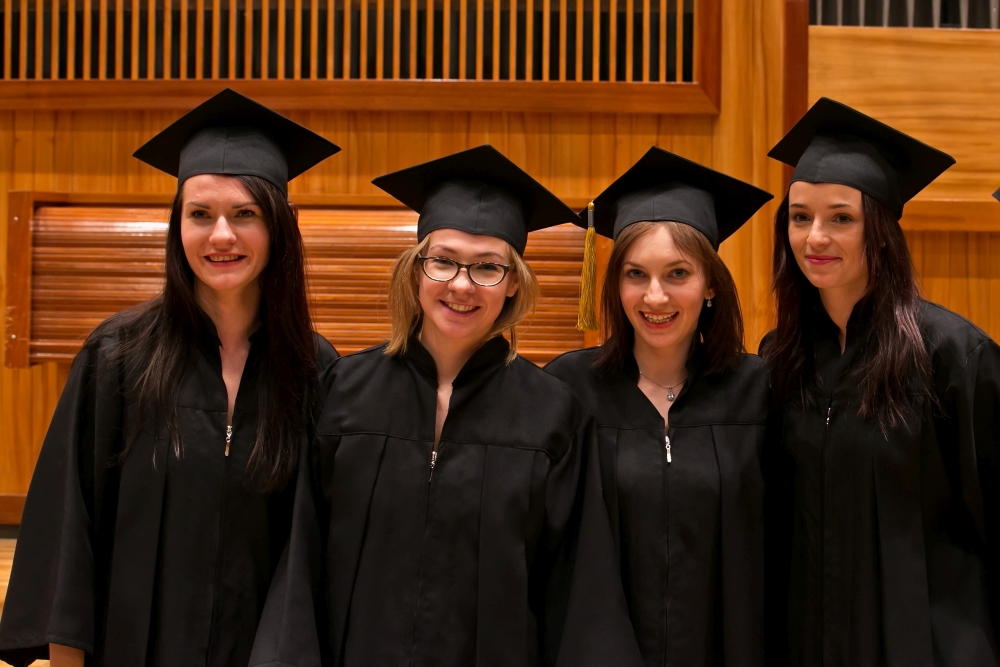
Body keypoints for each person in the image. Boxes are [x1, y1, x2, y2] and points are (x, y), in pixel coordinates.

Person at [249, 145, 642, 667]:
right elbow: (301, 564)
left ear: (514, 283)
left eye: (488, 267)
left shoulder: (553, 418)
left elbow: (578, 595)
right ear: (416, 270)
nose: (461, 285)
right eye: (443, 261)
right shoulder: (341, 395)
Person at [0, 89, 340, 667]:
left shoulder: (311, 369)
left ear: (280, 225)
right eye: (200, 214)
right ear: (177, 226)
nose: (221, 236)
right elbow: (69, 532)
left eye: (245, 214)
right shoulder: (119, 356)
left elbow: (314, 549)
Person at [762, 97, 999, 667]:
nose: (815, 238)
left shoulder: (954, 357)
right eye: (800, 217)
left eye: (841, 218)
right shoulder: (781, 358)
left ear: (882, 230)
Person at [545, 146, 774, 667]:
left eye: (677, 274)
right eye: (635, 274)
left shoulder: (759, 392)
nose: (654, 297)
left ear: (710, 283)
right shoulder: (569, 390)